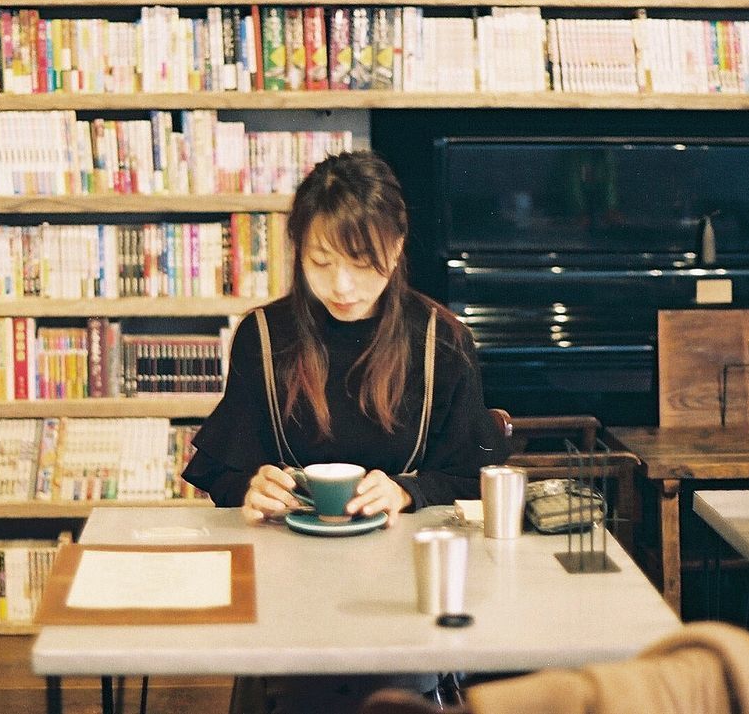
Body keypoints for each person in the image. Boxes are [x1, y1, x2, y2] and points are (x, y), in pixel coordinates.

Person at [182, 150, 510, 714]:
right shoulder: (264, 336)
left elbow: (471, 473)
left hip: (408, 589)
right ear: (298, 253)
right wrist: (250, 489)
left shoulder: (440, 340)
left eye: (363, 263)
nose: (342, 286)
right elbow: (227, 468)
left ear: (398, 246)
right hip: (289, 584)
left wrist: (409, 490)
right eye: (320, 261)